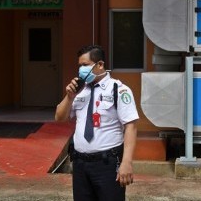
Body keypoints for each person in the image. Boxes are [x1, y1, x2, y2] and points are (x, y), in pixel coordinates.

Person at [55, 45, 139, 201]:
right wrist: (69, 97)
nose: (81, 70)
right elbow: (59, 117)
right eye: (79, 66)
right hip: (80, 164)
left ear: (100, 65)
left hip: (107, 164)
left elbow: (131, 127)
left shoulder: (118, 90)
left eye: (85, 65)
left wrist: (127, 162)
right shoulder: (78, 90)